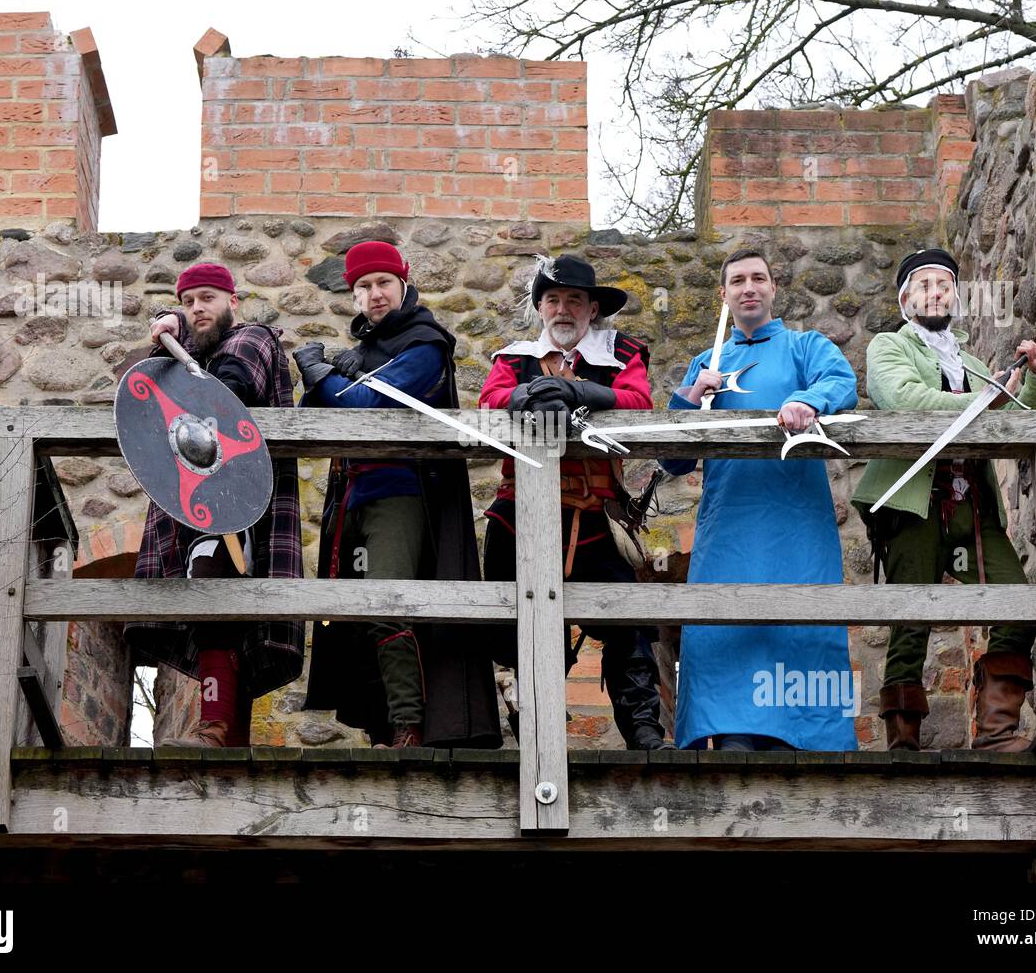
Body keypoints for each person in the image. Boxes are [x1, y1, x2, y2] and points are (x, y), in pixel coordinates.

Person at [295, 241, 502, 749]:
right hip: (352, 498)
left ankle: (409, 726)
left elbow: (365, 403)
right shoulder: (361, 353)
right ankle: (381, 726)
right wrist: (327, 381)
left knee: (388, 604)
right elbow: (317, 413)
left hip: (402, 495)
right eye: (363, 287)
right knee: (358, 615)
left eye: (383, 283)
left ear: (404, 284)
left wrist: (322, 375)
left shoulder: (425, 344)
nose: (374, 294)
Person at [852, 248, 1036, 751]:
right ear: (906, 299)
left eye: (943, 284)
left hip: (973, 506)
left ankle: (995, 730)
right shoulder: (888, 347)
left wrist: (1035, 380)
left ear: (955, 297)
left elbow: (1009, 419)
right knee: (912, 617)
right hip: (915, 500)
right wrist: (987, 399)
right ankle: (902, 742)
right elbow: (904, 400)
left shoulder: (975, 363)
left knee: (1018, 603)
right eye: (923, 285)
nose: (935, 292)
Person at [663, 248, 859, 752]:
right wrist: (689, 400)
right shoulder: (708, 363)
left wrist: (807, 401)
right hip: (729, 525)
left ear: (773, 289)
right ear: (724, 295)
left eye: (758, 279)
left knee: (798, 620)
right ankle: (731, 736)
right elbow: (674, 461)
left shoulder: (804, 347)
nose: (748, 288)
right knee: (727, 625)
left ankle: (801, 740)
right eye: (737, 281)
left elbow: (841, 383)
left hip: (797, 524)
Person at [478, 254, 673, 751]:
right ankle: (535, 741)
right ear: (540, 307)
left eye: (575, 300)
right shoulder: (512, 357)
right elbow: (489, 402)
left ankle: (645, 735)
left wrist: (577, 390)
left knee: (626, 625)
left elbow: (637, 401)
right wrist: (528, 395)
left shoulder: (622, 351)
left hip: (595, 514)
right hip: (519, 514)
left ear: (591, 309)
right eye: (554, 300)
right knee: (516, 630)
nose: (563, 309)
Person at [125, 263, 304, 747]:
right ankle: (225, 731)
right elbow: (151, 397)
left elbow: (226, 392)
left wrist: (175, 338)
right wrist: (170, 334)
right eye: (189, 302)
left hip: (239, 503)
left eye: (208, 298)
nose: (199, 308)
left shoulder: (254, 338)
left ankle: (218, 727)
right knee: (215, 611)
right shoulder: (189, 351)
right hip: (197, 500)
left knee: (216, 601)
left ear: (233, 301)